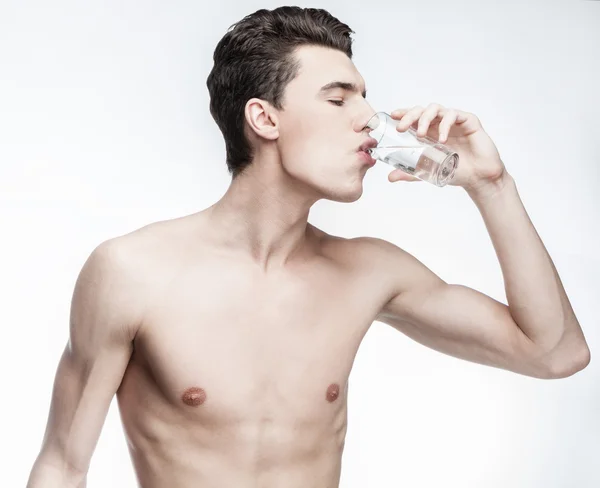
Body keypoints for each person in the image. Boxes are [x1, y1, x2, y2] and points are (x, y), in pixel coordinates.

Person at [26, 6, 590, 488]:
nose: (372, 120)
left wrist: (492, 186)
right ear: (264, 118)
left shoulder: (370, 271)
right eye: (339, 99)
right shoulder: (132, 272)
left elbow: (555, 354)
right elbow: (63, 465)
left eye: (366, 99)